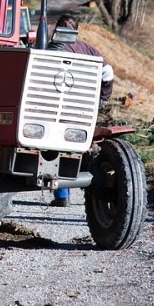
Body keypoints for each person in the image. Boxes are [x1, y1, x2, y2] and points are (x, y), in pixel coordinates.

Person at [47, 14, 115, 207]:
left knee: (56, 147)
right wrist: (102, 97)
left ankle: (62, 195)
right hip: (84, 108)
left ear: (57, 29)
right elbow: (108, 72)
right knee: (78, 145)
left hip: (58, 106)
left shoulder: (52, 49)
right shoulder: (88, 49)